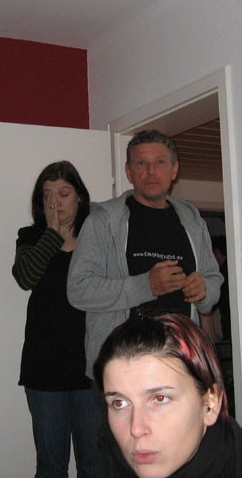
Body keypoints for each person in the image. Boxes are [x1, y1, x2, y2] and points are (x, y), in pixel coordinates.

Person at [67, 129, 224, 379]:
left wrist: (203, 289)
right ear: (129, 172)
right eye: (141, 163)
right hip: (121, 364)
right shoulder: (103, 221)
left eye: (160, 162)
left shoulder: (192, 219)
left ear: (174, 169)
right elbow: (78, 289)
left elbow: (213, 280)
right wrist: (146, 286)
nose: (151, 171)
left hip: (181, 361)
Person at [92, 311, 242, 477]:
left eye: (160, 399)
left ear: (211, 403)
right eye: (119, 403)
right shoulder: (106, 465)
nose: (136, 429)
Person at [12, 161, 100, 478]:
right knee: (51, 466)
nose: (55, 202)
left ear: (80, 197)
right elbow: (25, 277)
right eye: (47, 195)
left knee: (94, 465)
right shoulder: (31, 236)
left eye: (63, 193)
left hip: (91, 369)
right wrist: (51, 234)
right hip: (44, 368)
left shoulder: (96, 237)